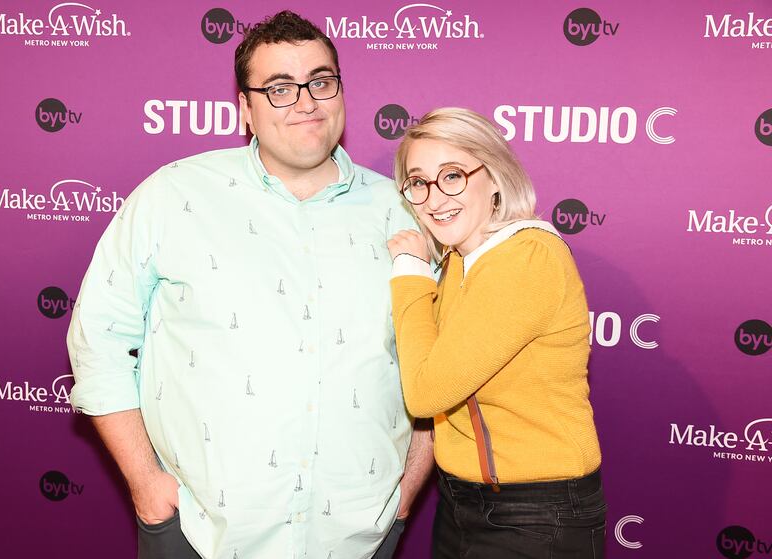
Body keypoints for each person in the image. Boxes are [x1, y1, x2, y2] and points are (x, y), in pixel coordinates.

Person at [67, 11, 432, 559]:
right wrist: (146, 485)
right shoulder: (174, 197)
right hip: (197, 533)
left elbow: (442, 361)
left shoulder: (408, 211)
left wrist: (403, 494)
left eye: (321, 81)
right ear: (246, 107)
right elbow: (98, 336)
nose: (306, 102)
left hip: (361, 535)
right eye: (280, 88)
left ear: (340, 91)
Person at [386, 107, 605, 559]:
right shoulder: (459, 262)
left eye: (452, 175)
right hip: (461, 501)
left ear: (495, 176)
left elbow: (427, 392)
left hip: (535, 512)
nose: (434, 197)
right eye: (419, 181)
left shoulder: (528, 255)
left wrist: (409, 273)